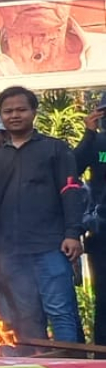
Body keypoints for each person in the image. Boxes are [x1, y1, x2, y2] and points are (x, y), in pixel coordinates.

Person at [0, 87, 85, 344]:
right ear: (1, 116)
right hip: (12, 252)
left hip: (50, 246)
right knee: (26, 317)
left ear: (33, 112)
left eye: (21, 109)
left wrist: (72, 233)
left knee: (61, 312)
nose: (14, 115)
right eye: (8, 111)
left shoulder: (55, 149)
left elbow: (71, 191)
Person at [75, 98, 106, 347]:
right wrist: (88, 133)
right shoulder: (96, 142)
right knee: (104, 301)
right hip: (102, 233)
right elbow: (72, 168)